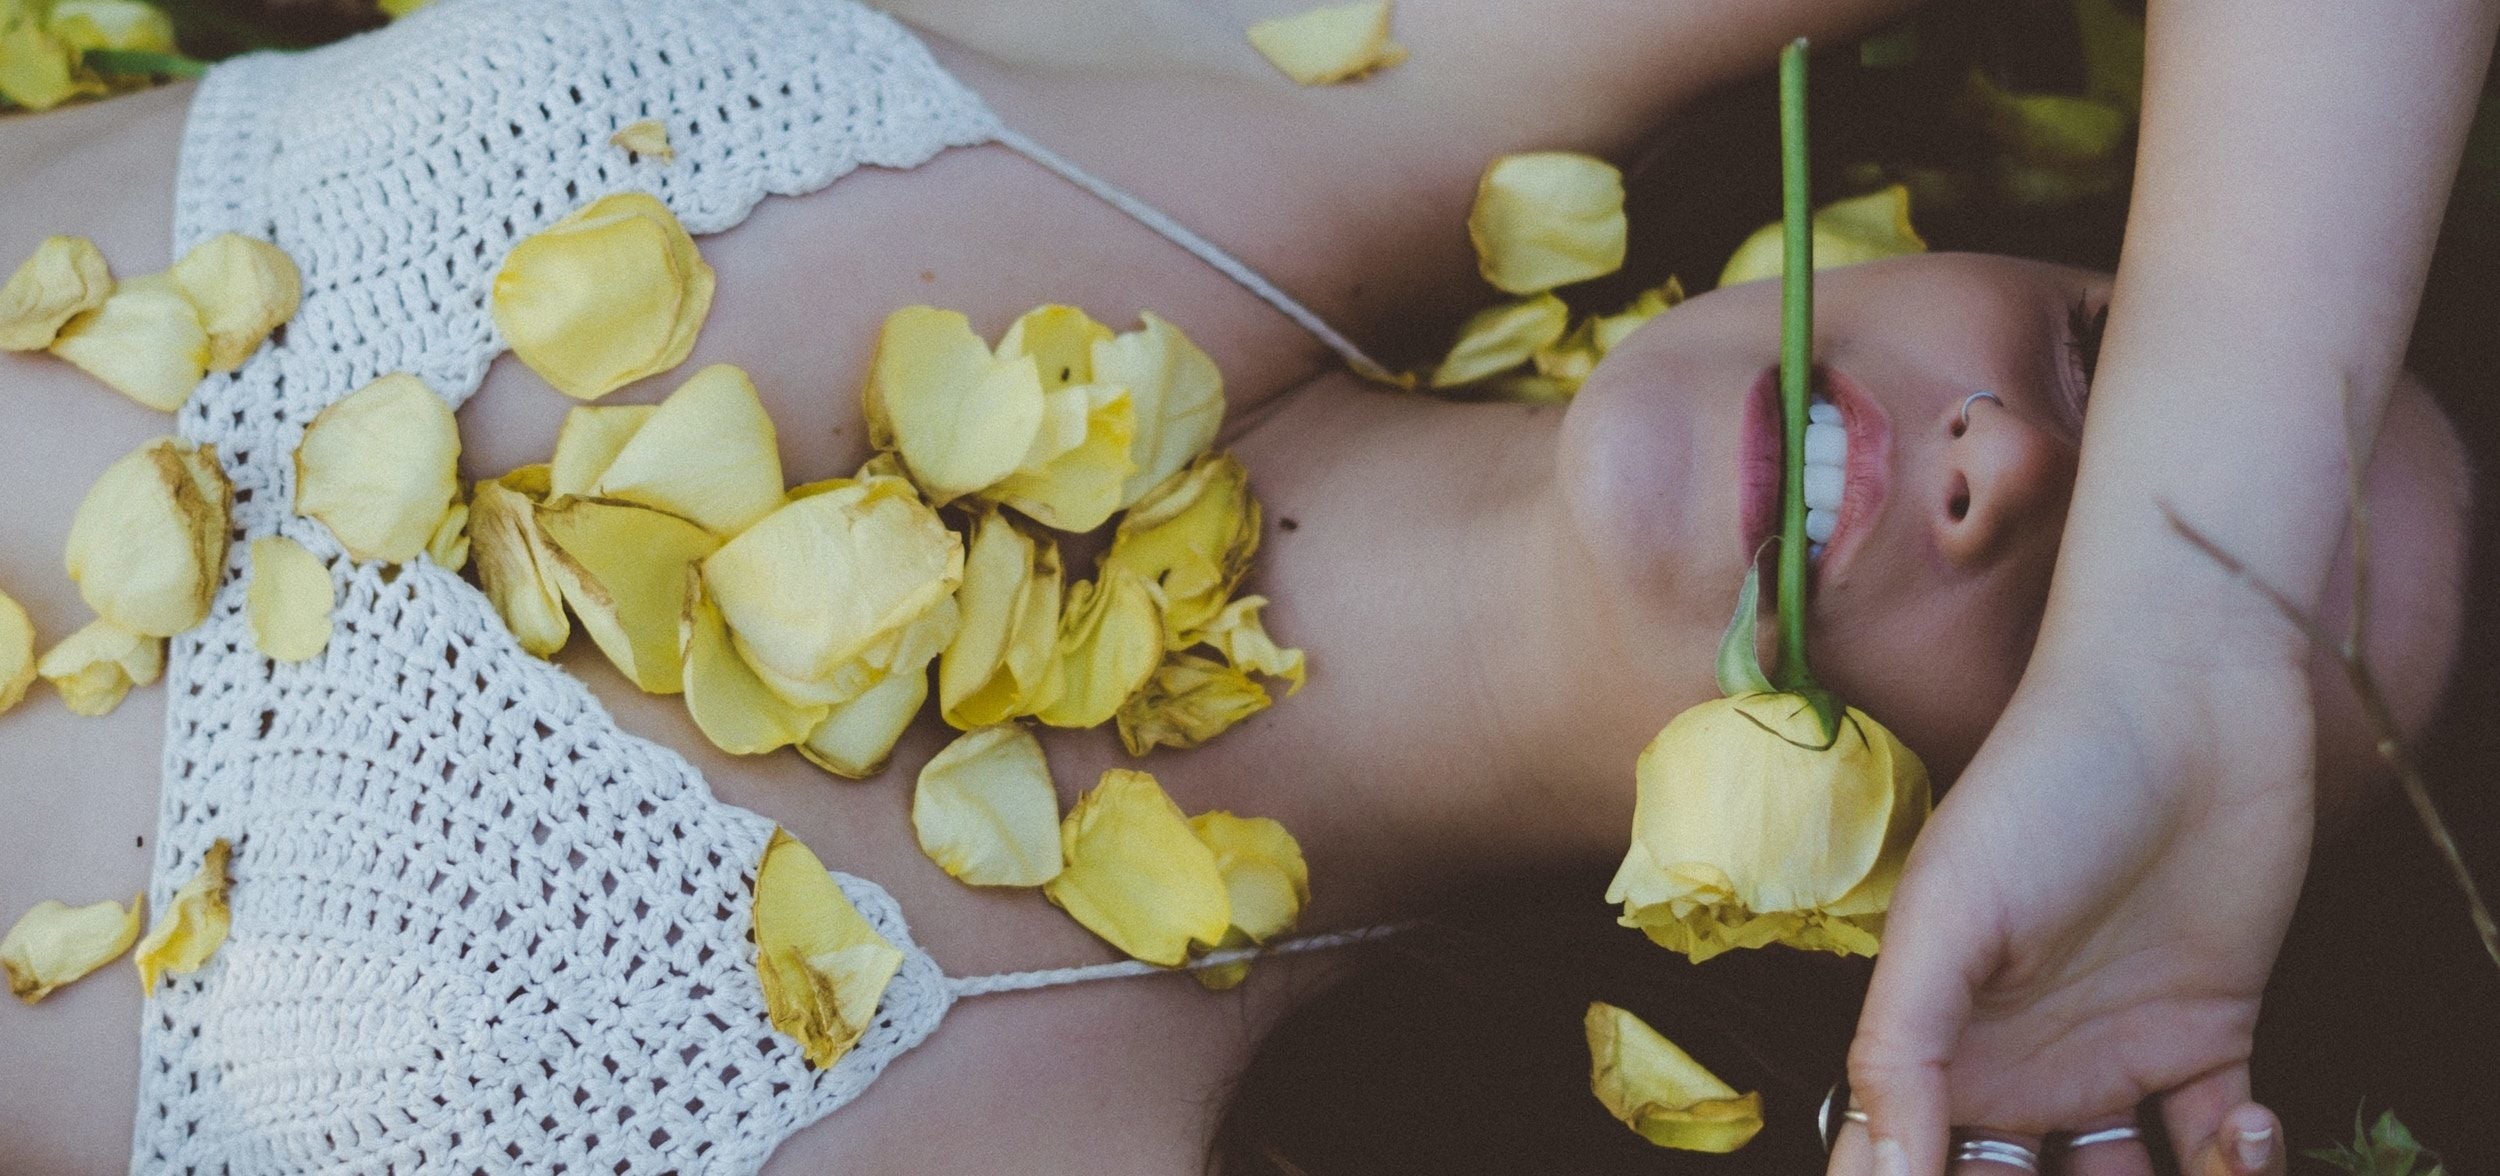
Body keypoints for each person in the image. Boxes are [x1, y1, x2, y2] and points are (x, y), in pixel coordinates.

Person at [0, 0, 2472, 1172]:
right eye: (2103, 363)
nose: (2005, 462)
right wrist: (2182, 643)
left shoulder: (1038, 1140)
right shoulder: (1335, 59)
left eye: (2045, 662)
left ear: (1949, 911)